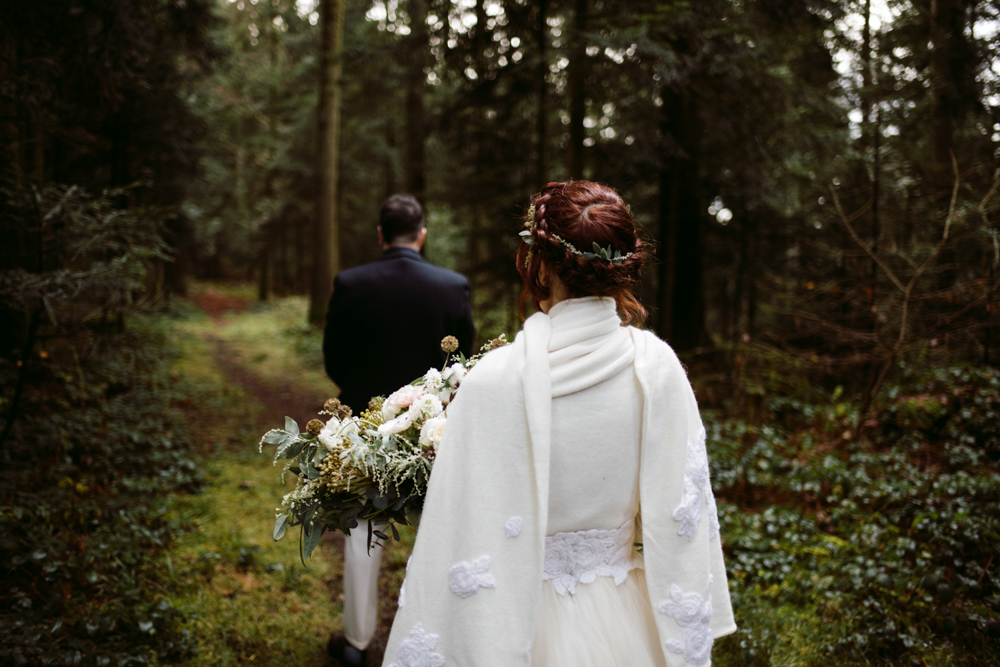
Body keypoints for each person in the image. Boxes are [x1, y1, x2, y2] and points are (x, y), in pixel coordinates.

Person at [381, 181, 735, 667]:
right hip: (626, 625)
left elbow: (455, 528)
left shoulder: (494, 380)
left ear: (540, 263)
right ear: (621, 262)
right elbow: (684, 515)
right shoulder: (657, 369)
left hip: (513, 618)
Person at [322, 193, 475, 666]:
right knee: (441, 533)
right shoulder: (452, 286)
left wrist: (366, 401)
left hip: (365, 430)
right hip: (434, 435)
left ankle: (357, 643)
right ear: (421, 235)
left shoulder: (350, 283)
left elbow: (334, 359)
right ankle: (442, 640)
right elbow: (461, 366)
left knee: (363, 535)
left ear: (381, 235)